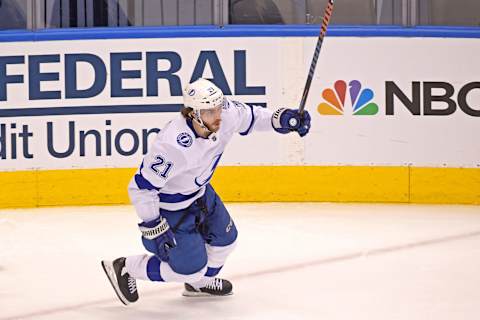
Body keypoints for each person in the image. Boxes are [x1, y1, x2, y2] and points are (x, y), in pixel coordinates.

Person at [101, 78, 311, 305]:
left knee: (226, 241)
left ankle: (198, 283)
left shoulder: (225, 115)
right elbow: (141, 187)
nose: (218, 115)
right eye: (210, 111)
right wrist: (153, 224)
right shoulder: (172, 146)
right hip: (172, 210)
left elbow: (251, 117)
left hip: (201, 195)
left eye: (218, 108)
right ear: (193, 113)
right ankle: (127, 267)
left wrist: (281, 119)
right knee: (189, 268)